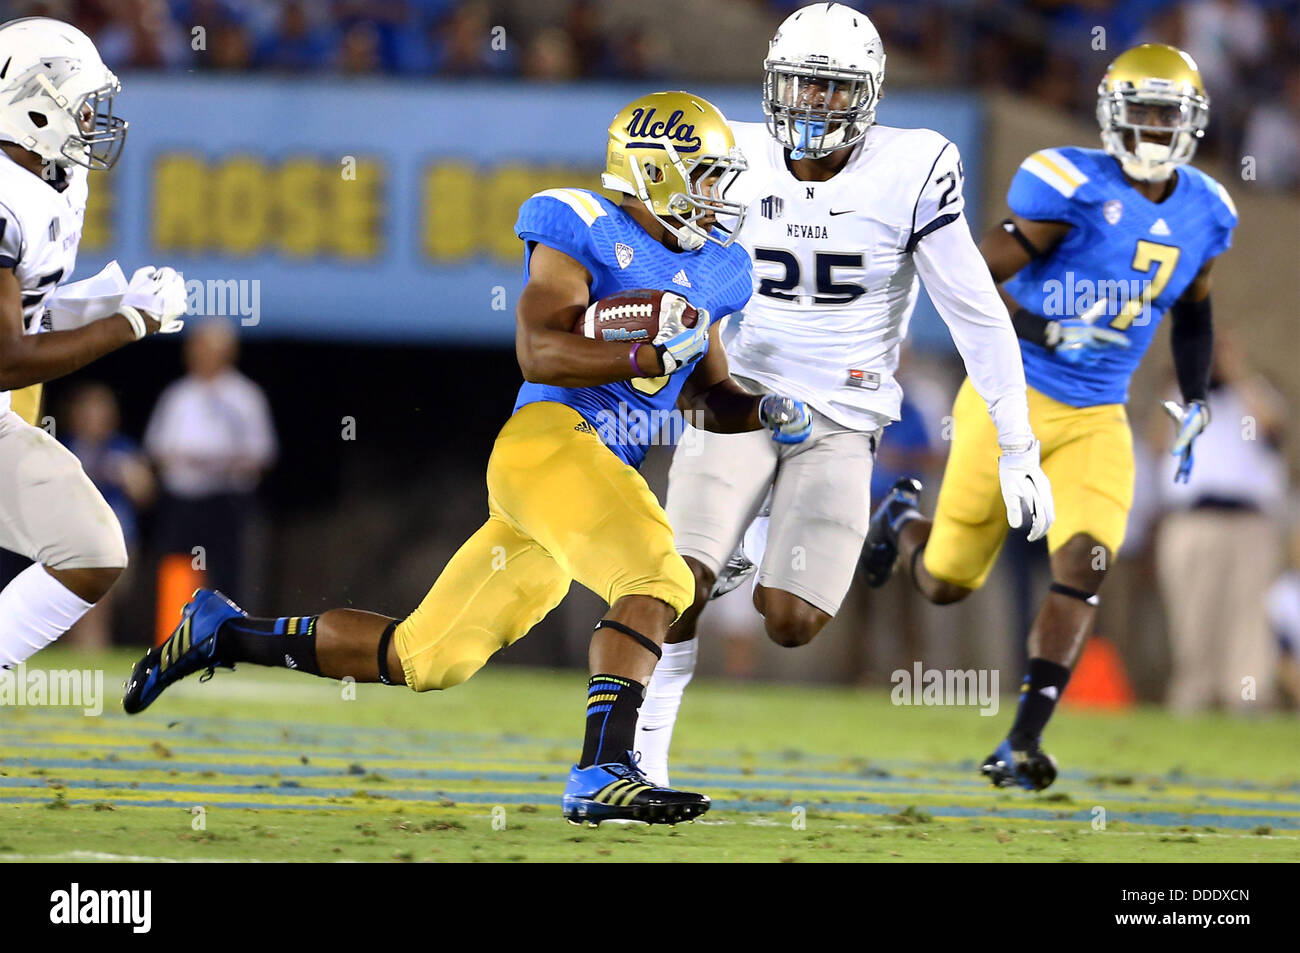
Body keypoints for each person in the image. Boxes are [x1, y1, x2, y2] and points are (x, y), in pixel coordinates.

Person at [124, 90, 814, 826]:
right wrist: (637, 351)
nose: (718, 196)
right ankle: (605, 768)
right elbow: (539, 350)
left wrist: (763, 408)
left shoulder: (717, 267)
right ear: (654, 171)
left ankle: (222, 631)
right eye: (705, 176)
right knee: (657, 576)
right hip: (550, 445)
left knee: (425, 657)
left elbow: (710, 391)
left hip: (587, 478)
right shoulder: (579, 224)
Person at [632, 3, 1053, 788]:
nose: (811, 105)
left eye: (831, 90)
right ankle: (644, 762)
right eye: (799, 85)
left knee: (791, 621)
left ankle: (763, 537)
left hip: (845, 409)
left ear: (868, 95)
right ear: (771, 84)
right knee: (677, 579)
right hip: (740, 391)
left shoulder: (913, 167)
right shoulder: (731, 152)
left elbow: (975, 311)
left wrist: (1018, 444)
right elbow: (673, 272)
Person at [865, 44, 1237, 790]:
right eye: (1143, 110)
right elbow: (968, 270)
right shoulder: (1067, 185)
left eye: (1170, 112)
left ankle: (1022, 740)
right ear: (1112, 115)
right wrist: (1022, 329)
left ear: (1193, 121)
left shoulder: (1208, 209)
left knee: (1086, 564)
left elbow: (1195, 314)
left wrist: (1195, 399)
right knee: (945, 581)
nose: (1156, 127)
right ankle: (899, 523)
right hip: (1015, 399)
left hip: (1099, 413)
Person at [0, 17, 185, 667]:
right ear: (32, 106)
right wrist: (129, 323)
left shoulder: (53, 180)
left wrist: (107, 300)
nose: (90, 116)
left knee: (91, 548)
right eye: (77, 102)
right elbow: (5, 357)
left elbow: (26, 316)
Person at [1154, 335, 1286, 711]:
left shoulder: (1255, 393)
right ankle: (1193, 698)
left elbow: (1273, 429)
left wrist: (1239, 375)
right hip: (1193, 520)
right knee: (1191, 613)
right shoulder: (1181, 394)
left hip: (1249, 523)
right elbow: (1155, 445)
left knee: (1249, 615)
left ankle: (1248, 698)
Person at [144, 319, 277, 596]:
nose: (202, 355)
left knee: (229, 571)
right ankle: (178, 632)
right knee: (178, 567)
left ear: (228, 352)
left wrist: (223, 463)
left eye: (210, 348)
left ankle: (226, 636)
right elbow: (156, 448)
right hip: (183, 500)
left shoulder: (245, 396)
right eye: (198, 347)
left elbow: (262, 453)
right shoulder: (177, 395)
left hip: (227, 500)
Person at [60, 382, 155, 649]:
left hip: (116, 541)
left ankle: (88, 663)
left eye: (100, 410)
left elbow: (145, 495)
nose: (94, 417)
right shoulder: (61, 447)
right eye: (87, 410)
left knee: (97, 607)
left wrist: (130, 475)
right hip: (68, 542)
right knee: (78, 609)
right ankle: (84, 662)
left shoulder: (122, 448)